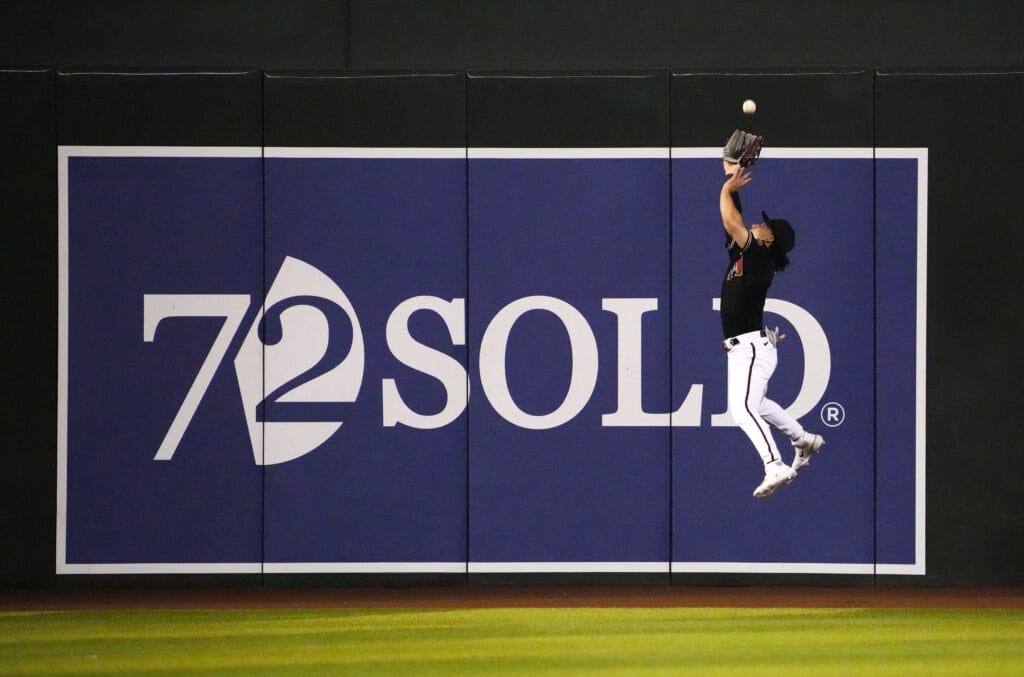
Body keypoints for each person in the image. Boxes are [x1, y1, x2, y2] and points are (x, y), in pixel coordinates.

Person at [719, 161, 824, 498]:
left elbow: (732, 221)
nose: (758, 225)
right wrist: (730, 179)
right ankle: (803, 439)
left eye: (764, 227)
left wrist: (726, 190)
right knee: (758, 404)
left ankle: (774, 464)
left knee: (744, 409)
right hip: (747, 348)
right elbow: (731, 218)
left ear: (769, 241)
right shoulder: (747, 255)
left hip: (750, 348)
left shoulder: (761, 259)